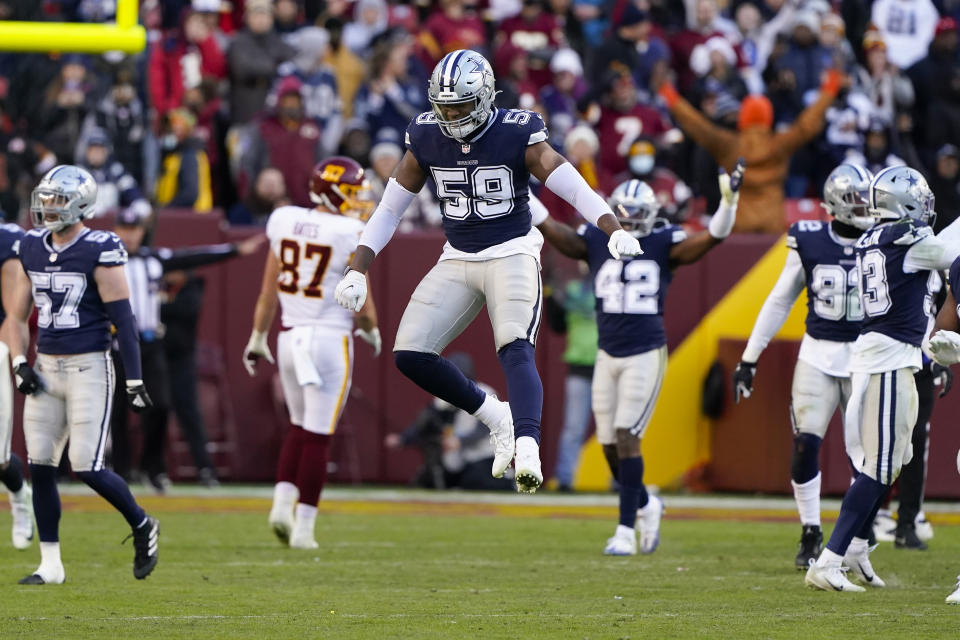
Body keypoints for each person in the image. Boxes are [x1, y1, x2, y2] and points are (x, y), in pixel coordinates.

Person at [333, 49, 643, 494]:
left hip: (513, 251)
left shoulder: (516, 131)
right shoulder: (425, 134)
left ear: (483, 97)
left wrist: (610, 227)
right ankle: (495, 415)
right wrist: (357, 269)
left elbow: (568, 178)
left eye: (460, 105)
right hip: (458, 256)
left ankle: (528, 447)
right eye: (444, 105)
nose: (451, 115)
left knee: (515, 345)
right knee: (410, 354)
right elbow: (388, 210)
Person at [534, 162, 742, 554]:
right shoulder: (598, 239)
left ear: (652, 217)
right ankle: (647, 503)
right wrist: (526, 199)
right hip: (606, 353)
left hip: (645, 352)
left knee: (628, 436)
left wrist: (728, 207)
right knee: (610, 445)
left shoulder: (664, 243)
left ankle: (625, 531)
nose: (627, 226)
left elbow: (713, 236)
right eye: (622, 218)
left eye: (635, 218)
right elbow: (559, 235)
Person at [0, 165, 158, 584]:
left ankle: (142, 524)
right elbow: (15, 318)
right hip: (46, 366)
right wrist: (19, 363)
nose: (48, 206)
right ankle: (50, 565)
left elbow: (123, 318)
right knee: (42, 465)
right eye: (46, 197)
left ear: (81, 204)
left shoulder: (100, 246)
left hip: (90, 365)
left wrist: (135, 379)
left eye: (57, 199)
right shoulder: (31, 246)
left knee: (86, 466)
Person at [805, 166, 960, 592]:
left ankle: (853, 545)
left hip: (882, 356)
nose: (927, 205)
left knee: (892, 460)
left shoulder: (874, 236)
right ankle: (829, 559)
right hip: (888, 360)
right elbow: (951, 256)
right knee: (881, 465)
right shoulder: (905, 240)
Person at [733, 164, 875, 569]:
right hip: (818, 353)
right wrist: (749, 357)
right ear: (834, 204)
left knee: (864, 457)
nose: (864, 206)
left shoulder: (881, 240)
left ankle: (855, 539)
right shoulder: (810, 239)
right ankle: (811, 529)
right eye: (855, 199)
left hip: (866, 356)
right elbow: (780, 299)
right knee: (803, 446)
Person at [244, 157, 381, 549]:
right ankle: (304, 528)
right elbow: (363, 302)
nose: (358, 201)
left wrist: (257, 338)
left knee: (299, 427)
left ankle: (281, 504)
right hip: (328, 341)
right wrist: (371, 332)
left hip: (289, 339)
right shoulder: (350, 230)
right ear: (333, 192)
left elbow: (268, 291)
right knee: (319, 437)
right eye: (353, 193)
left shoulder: (284, 219)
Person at [110, 206, 265, 491]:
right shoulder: (106, 261)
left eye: (134, 230)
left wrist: (234, 250)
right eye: (124, 229)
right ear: (116, 231)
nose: (129, 235)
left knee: (161, 405)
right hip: (118, 345)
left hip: (149, 343)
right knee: (117, 411)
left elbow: (195, 256)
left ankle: (152, 467)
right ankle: (121, 470)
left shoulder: (153, 260)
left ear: (142, 232)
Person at [0, 221, 34, 550]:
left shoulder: (7, 241)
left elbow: (14, 314)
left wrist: (12, 358)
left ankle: (20, 496)